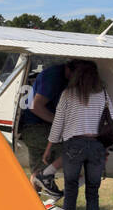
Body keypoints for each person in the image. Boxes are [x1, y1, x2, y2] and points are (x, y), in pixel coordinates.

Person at [44, 60, 110, 210]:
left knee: (71, 192)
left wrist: (49, 147)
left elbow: (58, 124)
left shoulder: (68, 95)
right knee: (93, 194)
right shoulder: (104, 96)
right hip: (97, 145)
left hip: (74, 145)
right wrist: (105, 149)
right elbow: (109, 122)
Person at [20, 59, 74, 198]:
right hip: (37, 128)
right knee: (77, 148)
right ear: (69, 68)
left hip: (34, 129)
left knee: (36, 172)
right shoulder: (54, 76)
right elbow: (36, 106)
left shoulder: (59, 75)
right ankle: (46, 177)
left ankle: (33, 208)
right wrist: (61, 125)